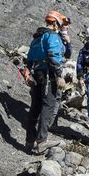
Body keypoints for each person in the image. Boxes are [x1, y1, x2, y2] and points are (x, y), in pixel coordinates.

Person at [24, 10, 69, 154]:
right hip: (48, 74)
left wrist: (28, 71)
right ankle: (42, 140)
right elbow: (54, 54)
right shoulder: (52, 36)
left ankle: (29, 140)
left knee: (35, 107)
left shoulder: (37, 37)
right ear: (55, 23)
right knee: (48, 105)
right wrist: (58, 75)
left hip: (37, 74)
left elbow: (29, 58)